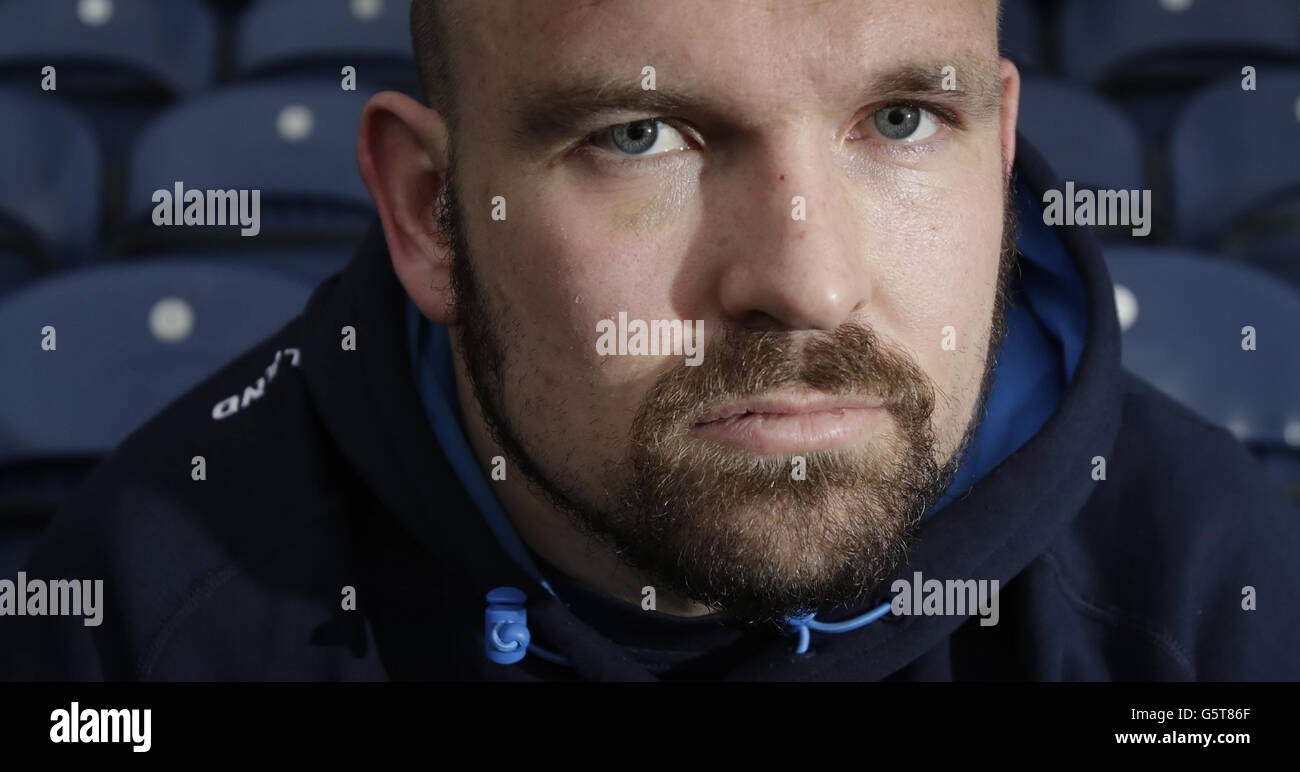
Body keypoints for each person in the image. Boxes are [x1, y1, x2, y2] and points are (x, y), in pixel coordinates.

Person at [3, 0, 1296, 681]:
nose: (808, 284)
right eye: (638, 137)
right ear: (430, 213)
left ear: (1001, 150)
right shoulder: (147, 615)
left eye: (902, 121)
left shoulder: (1212, 588)